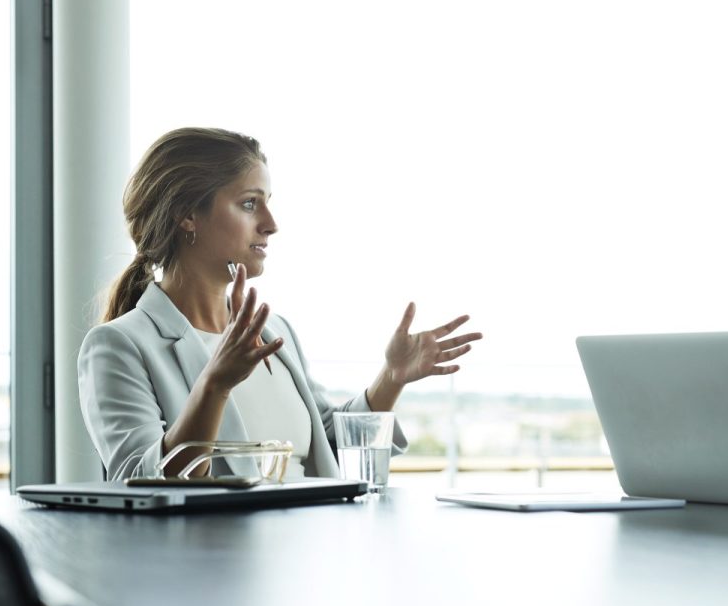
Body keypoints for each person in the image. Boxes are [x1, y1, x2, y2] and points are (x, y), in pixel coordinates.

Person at [78, 127, 482, 481]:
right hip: (210, 564)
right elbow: (139, 482)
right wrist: (215, 384)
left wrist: (391, 378)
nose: (271, 223)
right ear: (188, 215)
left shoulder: (277, 332)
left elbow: (329, 445)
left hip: (310, 551)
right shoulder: (118, 346)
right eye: (250, 203)